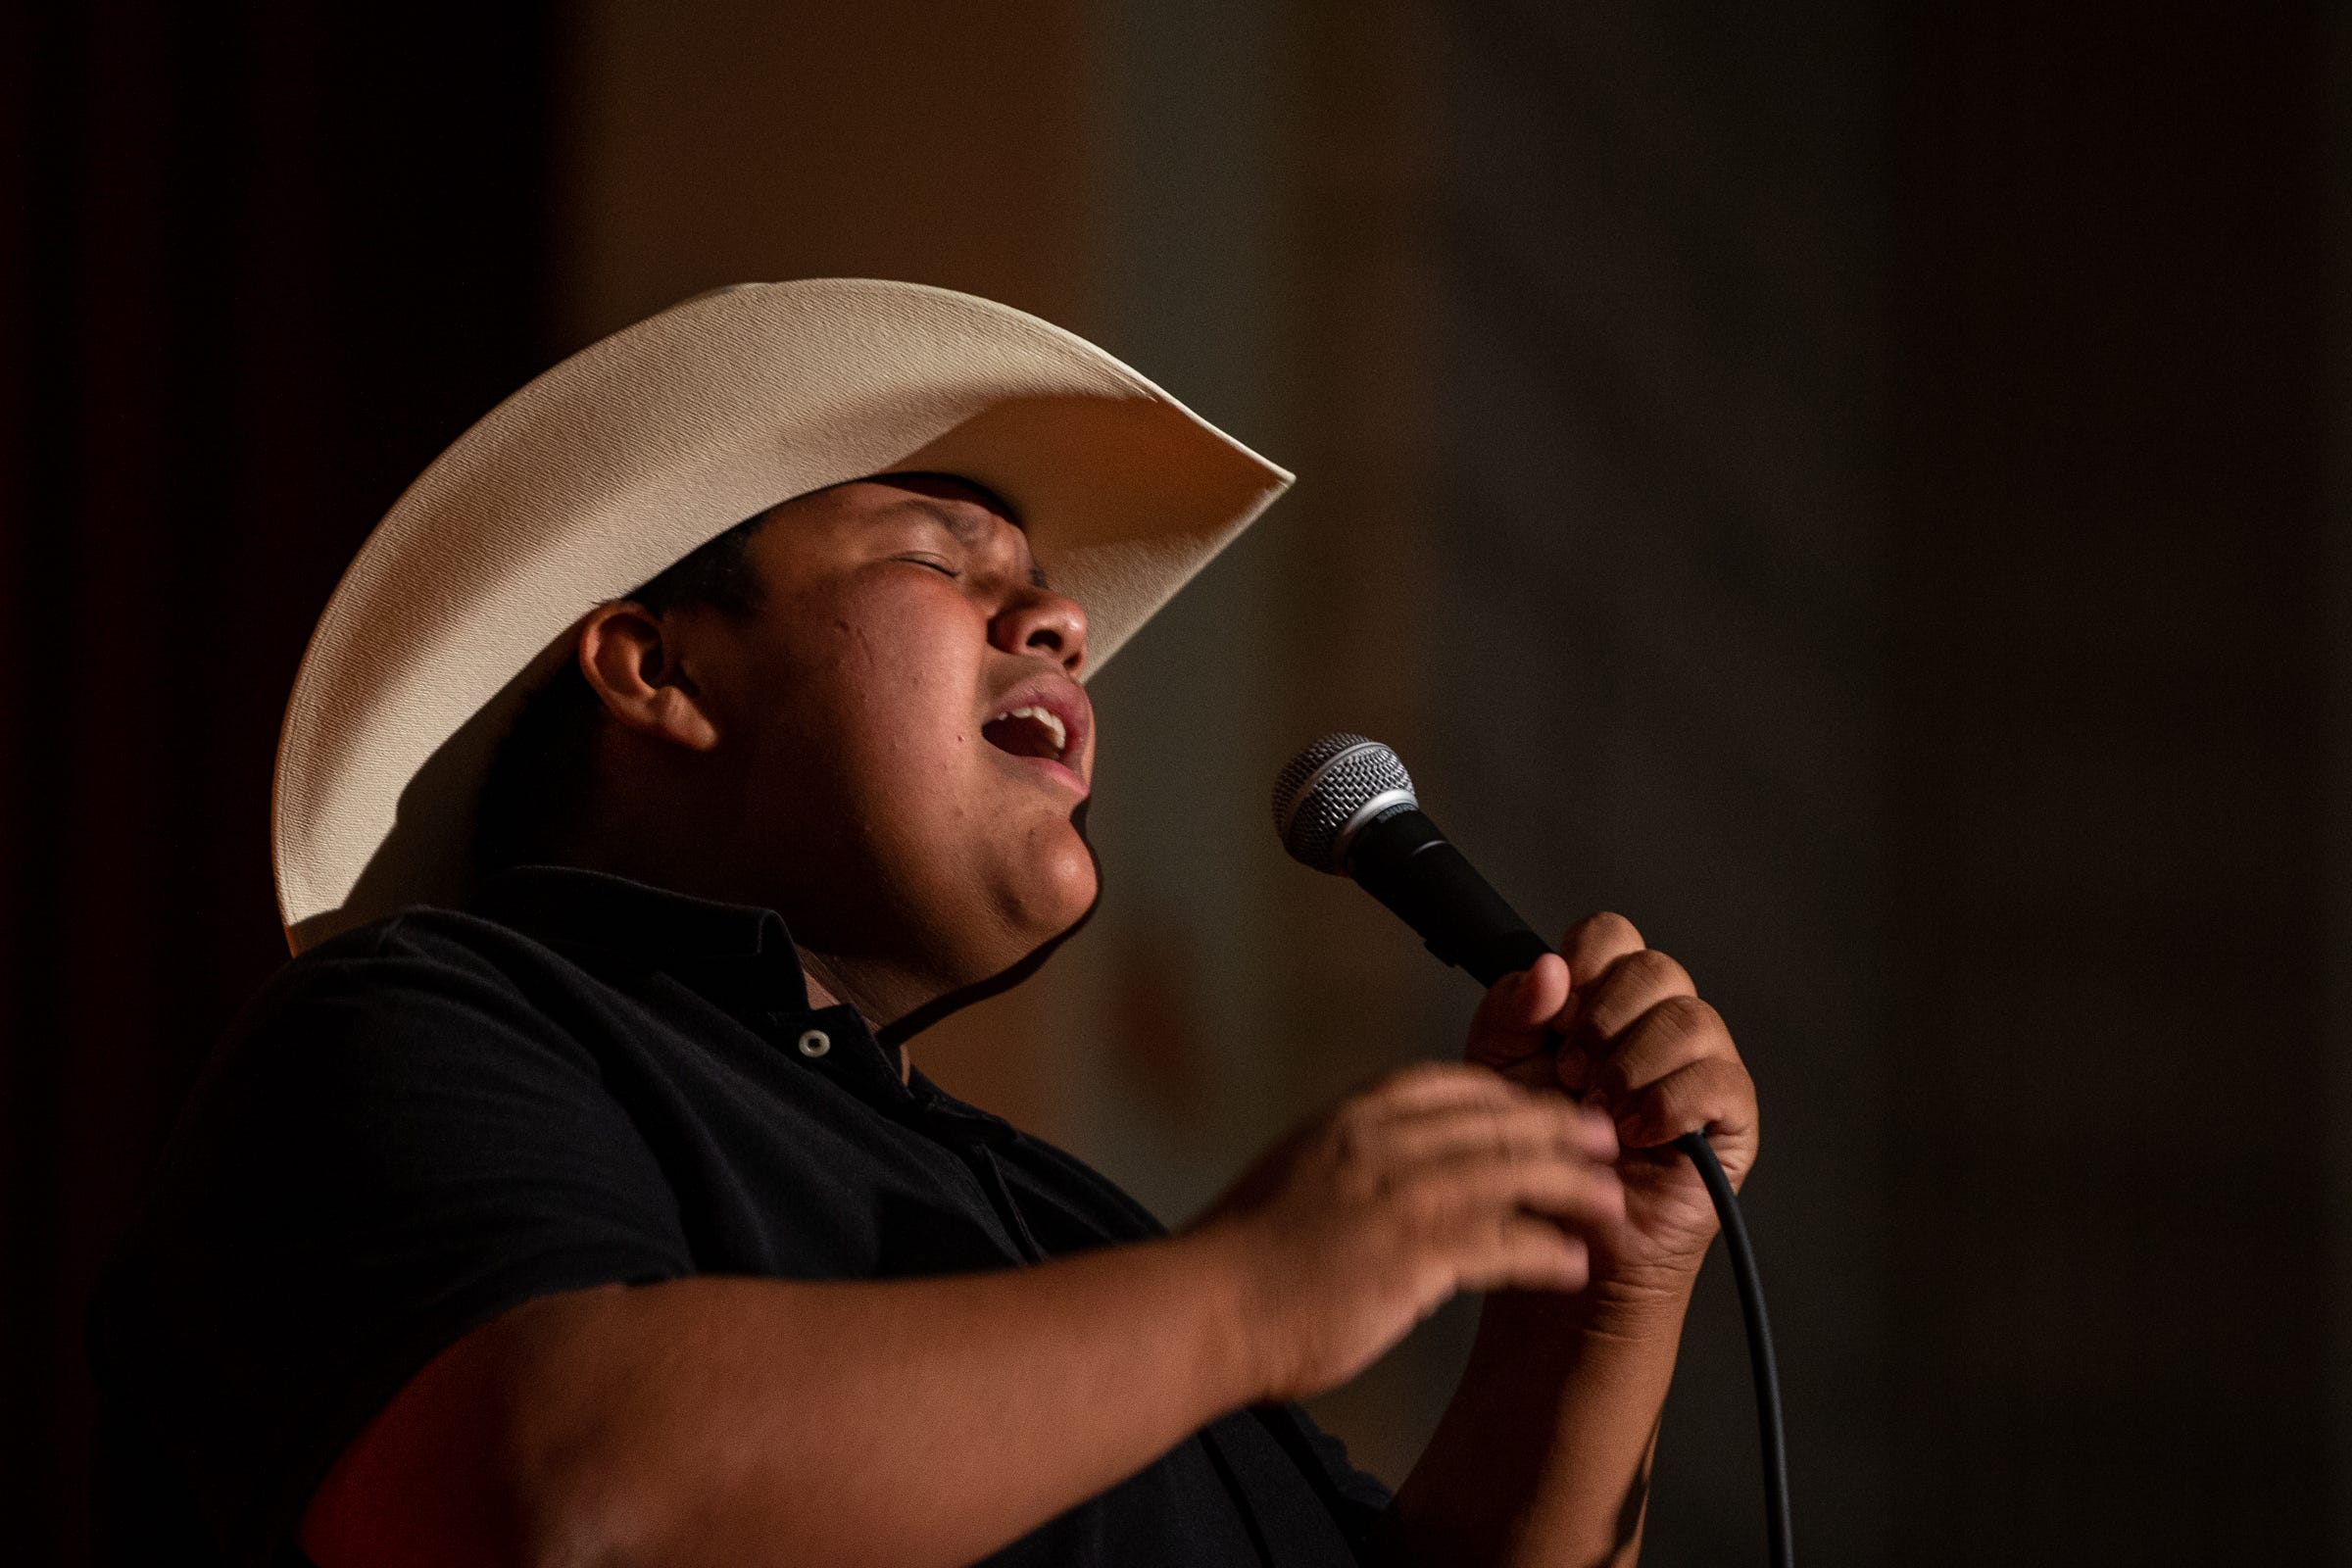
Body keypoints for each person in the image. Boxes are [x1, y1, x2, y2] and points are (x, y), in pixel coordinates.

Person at [87, 280, 1758, 1567]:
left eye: (1040, 584)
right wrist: (1246, 1296)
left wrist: (1602, 1294)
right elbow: (558, 1494)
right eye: (944, 558)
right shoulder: (425, 1022)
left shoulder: (1061, 1222)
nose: (1062, 619)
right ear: (660, 668)